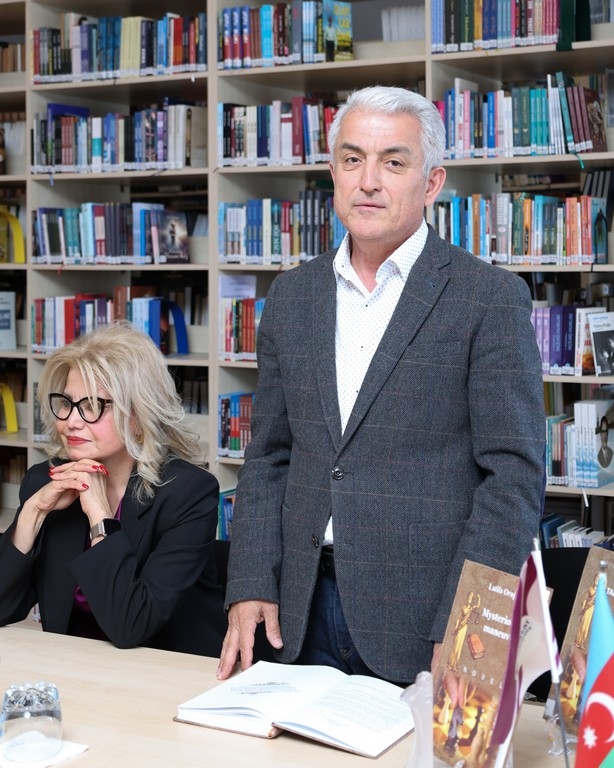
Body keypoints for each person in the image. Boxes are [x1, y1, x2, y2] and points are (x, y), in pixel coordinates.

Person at [217, 85, 545, 686]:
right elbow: (267, 457)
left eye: (393, 162)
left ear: (432, 182)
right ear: (333, 173)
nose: (368, 181)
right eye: (352, 159)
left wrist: (469, 620)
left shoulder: (489, 299)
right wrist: (251, 581)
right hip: (296, 612)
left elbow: (514, 478)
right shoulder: (292, 296)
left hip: (427, 620)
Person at [0, 321, 226, 655]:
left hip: (165, 670)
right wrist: (32, 513)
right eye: (66, 403)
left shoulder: (188, 494)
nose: (71, 421)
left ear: (138, 416)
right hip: (76, 665)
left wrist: (99, 515)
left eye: (92, 406)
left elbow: (130, 625)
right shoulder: (45, 482)